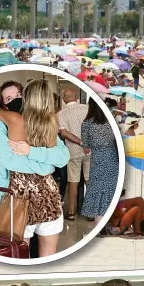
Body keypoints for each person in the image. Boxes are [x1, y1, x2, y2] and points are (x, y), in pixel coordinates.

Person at [0, 80, 67, 256]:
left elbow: (63, 158)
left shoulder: (27, 120)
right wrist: (45, 166)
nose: (16, 99)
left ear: (25, 97)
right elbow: (11, 161)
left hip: (35, 195)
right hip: (33, 196)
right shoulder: (50, 120)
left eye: (18, 95)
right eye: (10, 98)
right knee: (32, 256)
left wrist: (30, 151)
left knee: (32, 256)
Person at [80, 100, 120, 227]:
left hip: (97, 160)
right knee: (110, 189)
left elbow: (86, 146)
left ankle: (98, 223)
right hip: (112, 159)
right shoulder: (111, 122)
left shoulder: (86, 124)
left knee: (96, 189)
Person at [57, 89, 89, 221]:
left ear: (64, 100)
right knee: (89, 180)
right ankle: (91, 212)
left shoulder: (60, 114)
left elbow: (64, 134)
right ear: (76, 97)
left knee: (73, 181)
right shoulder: (86, 109)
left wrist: (79, 142)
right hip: (90, 150)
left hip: (72, 152)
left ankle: (71, 212)